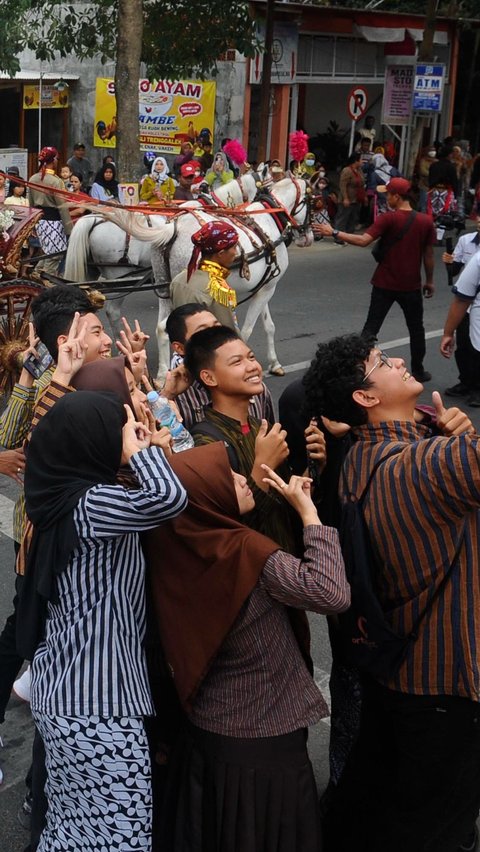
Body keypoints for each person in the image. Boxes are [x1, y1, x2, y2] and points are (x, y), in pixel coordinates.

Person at [304, 332, 480, 852]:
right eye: (382, 362)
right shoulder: (426, 466)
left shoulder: (358, 458)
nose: (401, 360)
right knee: (439, 827)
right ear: (365, 397)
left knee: (386, 806)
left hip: (401, 672)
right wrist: (461, 442)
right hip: (450, 681)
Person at [143, 441, 349, 852]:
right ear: (207, 496)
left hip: (208, 729)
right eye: (228, 476)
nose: (243, 478)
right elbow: (330, 592)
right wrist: (309, 512)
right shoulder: (246, 550)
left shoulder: (173, 543)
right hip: (264, 737)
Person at [23, 391, 186, 850]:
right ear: (89, 441)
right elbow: (168, 499)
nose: (127, 432)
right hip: (97, 706)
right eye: (117, 427)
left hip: (71, 692)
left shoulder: (65, 499)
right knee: (120, 836)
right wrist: (141, 454)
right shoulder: (92, 505)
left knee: (73, 831)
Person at [184, 325, 326, 552]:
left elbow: (285, 503)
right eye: (237, 362)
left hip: (287, 556)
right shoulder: (206, 444)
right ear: (209, 377)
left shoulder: (259, 427)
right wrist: (265, 464)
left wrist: (314, 467)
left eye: (251, 357)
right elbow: (228, 528)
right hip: (257, 572)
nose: (253, 367)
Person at [314, 176, 436, 382]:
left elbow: (363, 240)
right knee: (416, 329)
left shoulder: (389, 218)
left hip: (384, 283)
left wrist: (333, 231)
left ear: (397, 196)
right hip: (411, 285)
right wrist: (430, 280)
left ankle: (358, 367)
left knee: (371, 328)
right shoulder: (425, 221)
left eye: (388, 194)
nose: (386, 198)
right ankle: (418, 369)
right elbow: (429, 256)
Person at [165, 303, 275, 429]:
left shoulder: (253, 384)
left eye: (251, 357)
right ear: (179, 348)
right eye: (203, 332)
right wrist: (167, 395)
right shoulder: (174, 394)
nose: (216, 334)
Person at [170, 220, 239, 329]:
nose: (236, 253)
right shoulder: (218, 290)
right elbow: (229, 332)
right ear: (221, 253)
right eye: (234, 247)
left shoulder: (179, 279)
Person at [441, 215, 480, 401]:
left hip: (471, 302)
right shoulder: (466, 241)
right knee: (464, 345)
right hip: (468, 302)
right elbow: (453, 271)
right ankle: (466, 382)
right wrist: (449, 262)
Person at [28, 147, 73, 276]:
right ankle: (45, 283)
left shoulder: (33, 178)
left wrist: (33, 225)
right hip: (54, 222)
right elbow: (62, 207)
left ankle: (35, 277)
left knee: (46, 253)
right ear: (53, 160)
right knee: (54, 256)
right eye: (57, 158)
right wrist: (69, 229)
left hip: (39, 221)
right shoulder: (55, 181)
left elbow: (30, 204)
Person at [334, 153, 366, 234]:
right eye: (361, 159)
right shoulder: (347, 170)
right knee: (342, 218)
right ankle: (338, 237)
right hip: (347, 198)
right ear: (356, 161)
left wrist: (364, 196)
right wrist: (345, 198)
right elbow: (342, 185)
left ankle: (349, 235)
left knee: (353, 218)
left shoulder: (359, 170)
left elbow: (362, 183)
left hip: (357, 198)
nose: (362, 161)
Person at [417, 146, 437, 212]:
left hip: (434, 185)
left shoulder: (436, 161)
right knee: (423, 200)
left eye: (434, 151)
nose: (433, 153)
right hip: (424, 184)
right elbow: (422, 171)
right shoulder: (423, 160)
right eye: (431, 151)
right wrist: (432, 173)